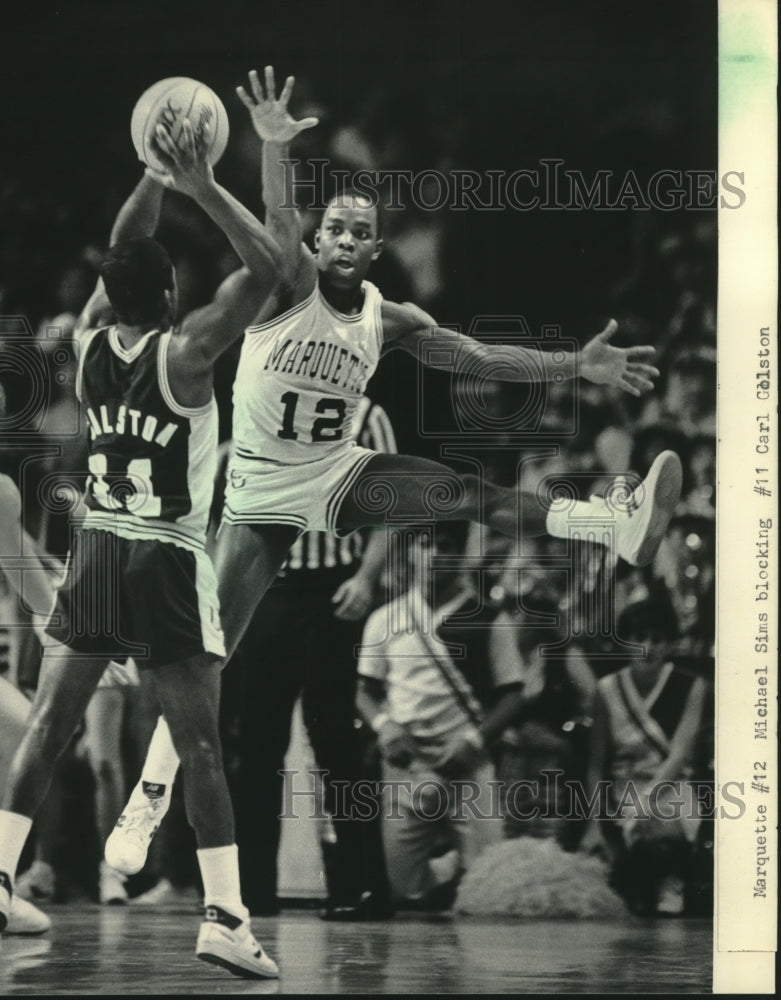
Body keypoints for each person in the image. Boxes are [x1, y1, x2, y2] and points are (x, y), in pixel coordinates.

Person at [106, 67, 683, 880]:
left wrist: (575, 364)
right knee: (210, 656)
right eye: (333, 226)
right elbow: (274, 218)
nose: (342, 238)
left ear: (375, 249)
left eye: (358, 231)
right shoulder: (288, 282)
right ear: (317, 240)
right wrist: (260, 154)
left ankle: (611, 525)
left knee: (468, 494)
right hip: (263, 491)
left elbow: (483, 355)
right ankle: (149, 797)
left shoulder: (392, 317)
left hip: (339, 475)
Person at [0, 120, 284, 979]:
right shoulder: (191, 353)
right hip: (161, 557)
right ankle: (226, 917)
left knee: (47, 725)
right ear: (168, 294)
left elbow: (121, 250)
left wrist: (150, 175)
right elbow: (269, 268)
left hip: (94, 557)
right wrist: (197, 184)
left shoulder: (85, 347)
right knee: (198, 745)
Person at [228, 396, 396, 920]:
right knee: (256, 742)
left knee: (336, 741)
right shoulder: (262, 401)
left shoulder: (368, 415)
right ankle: (251, 890)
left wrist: (367, 576)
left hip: (333, 586)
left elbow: (393, 504)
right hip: (268, 587)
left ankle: (362, 886)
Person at [356, 522, 524, 906]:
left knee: (491, 889)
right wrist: (384, 726)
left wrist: (475, 741)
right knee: (404, 888)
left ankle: (467, 865)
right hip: (407, 762)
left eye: (446, 547)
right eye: (425, 545)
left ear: (462, 555)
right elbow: (364, 691)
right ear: (411, 553)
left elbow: (514, 695)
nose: (434, 555)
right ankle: (450, 867)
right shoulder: (385, 619)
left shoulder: (490, 618)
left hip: (468, 759)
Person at [579, 598, 708, 915]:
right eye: (639, 638)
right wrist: (595, 821)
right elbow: (597, 765)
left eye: (657, 639)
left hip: (671, 789)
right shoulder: (606, 689)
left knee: (662, 828)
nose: (647, 648)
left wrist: (644, 805)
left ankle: (671, 879)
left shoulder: (691, 685)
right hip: (623, 791)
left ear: (669, 644)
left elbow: (679, 754)